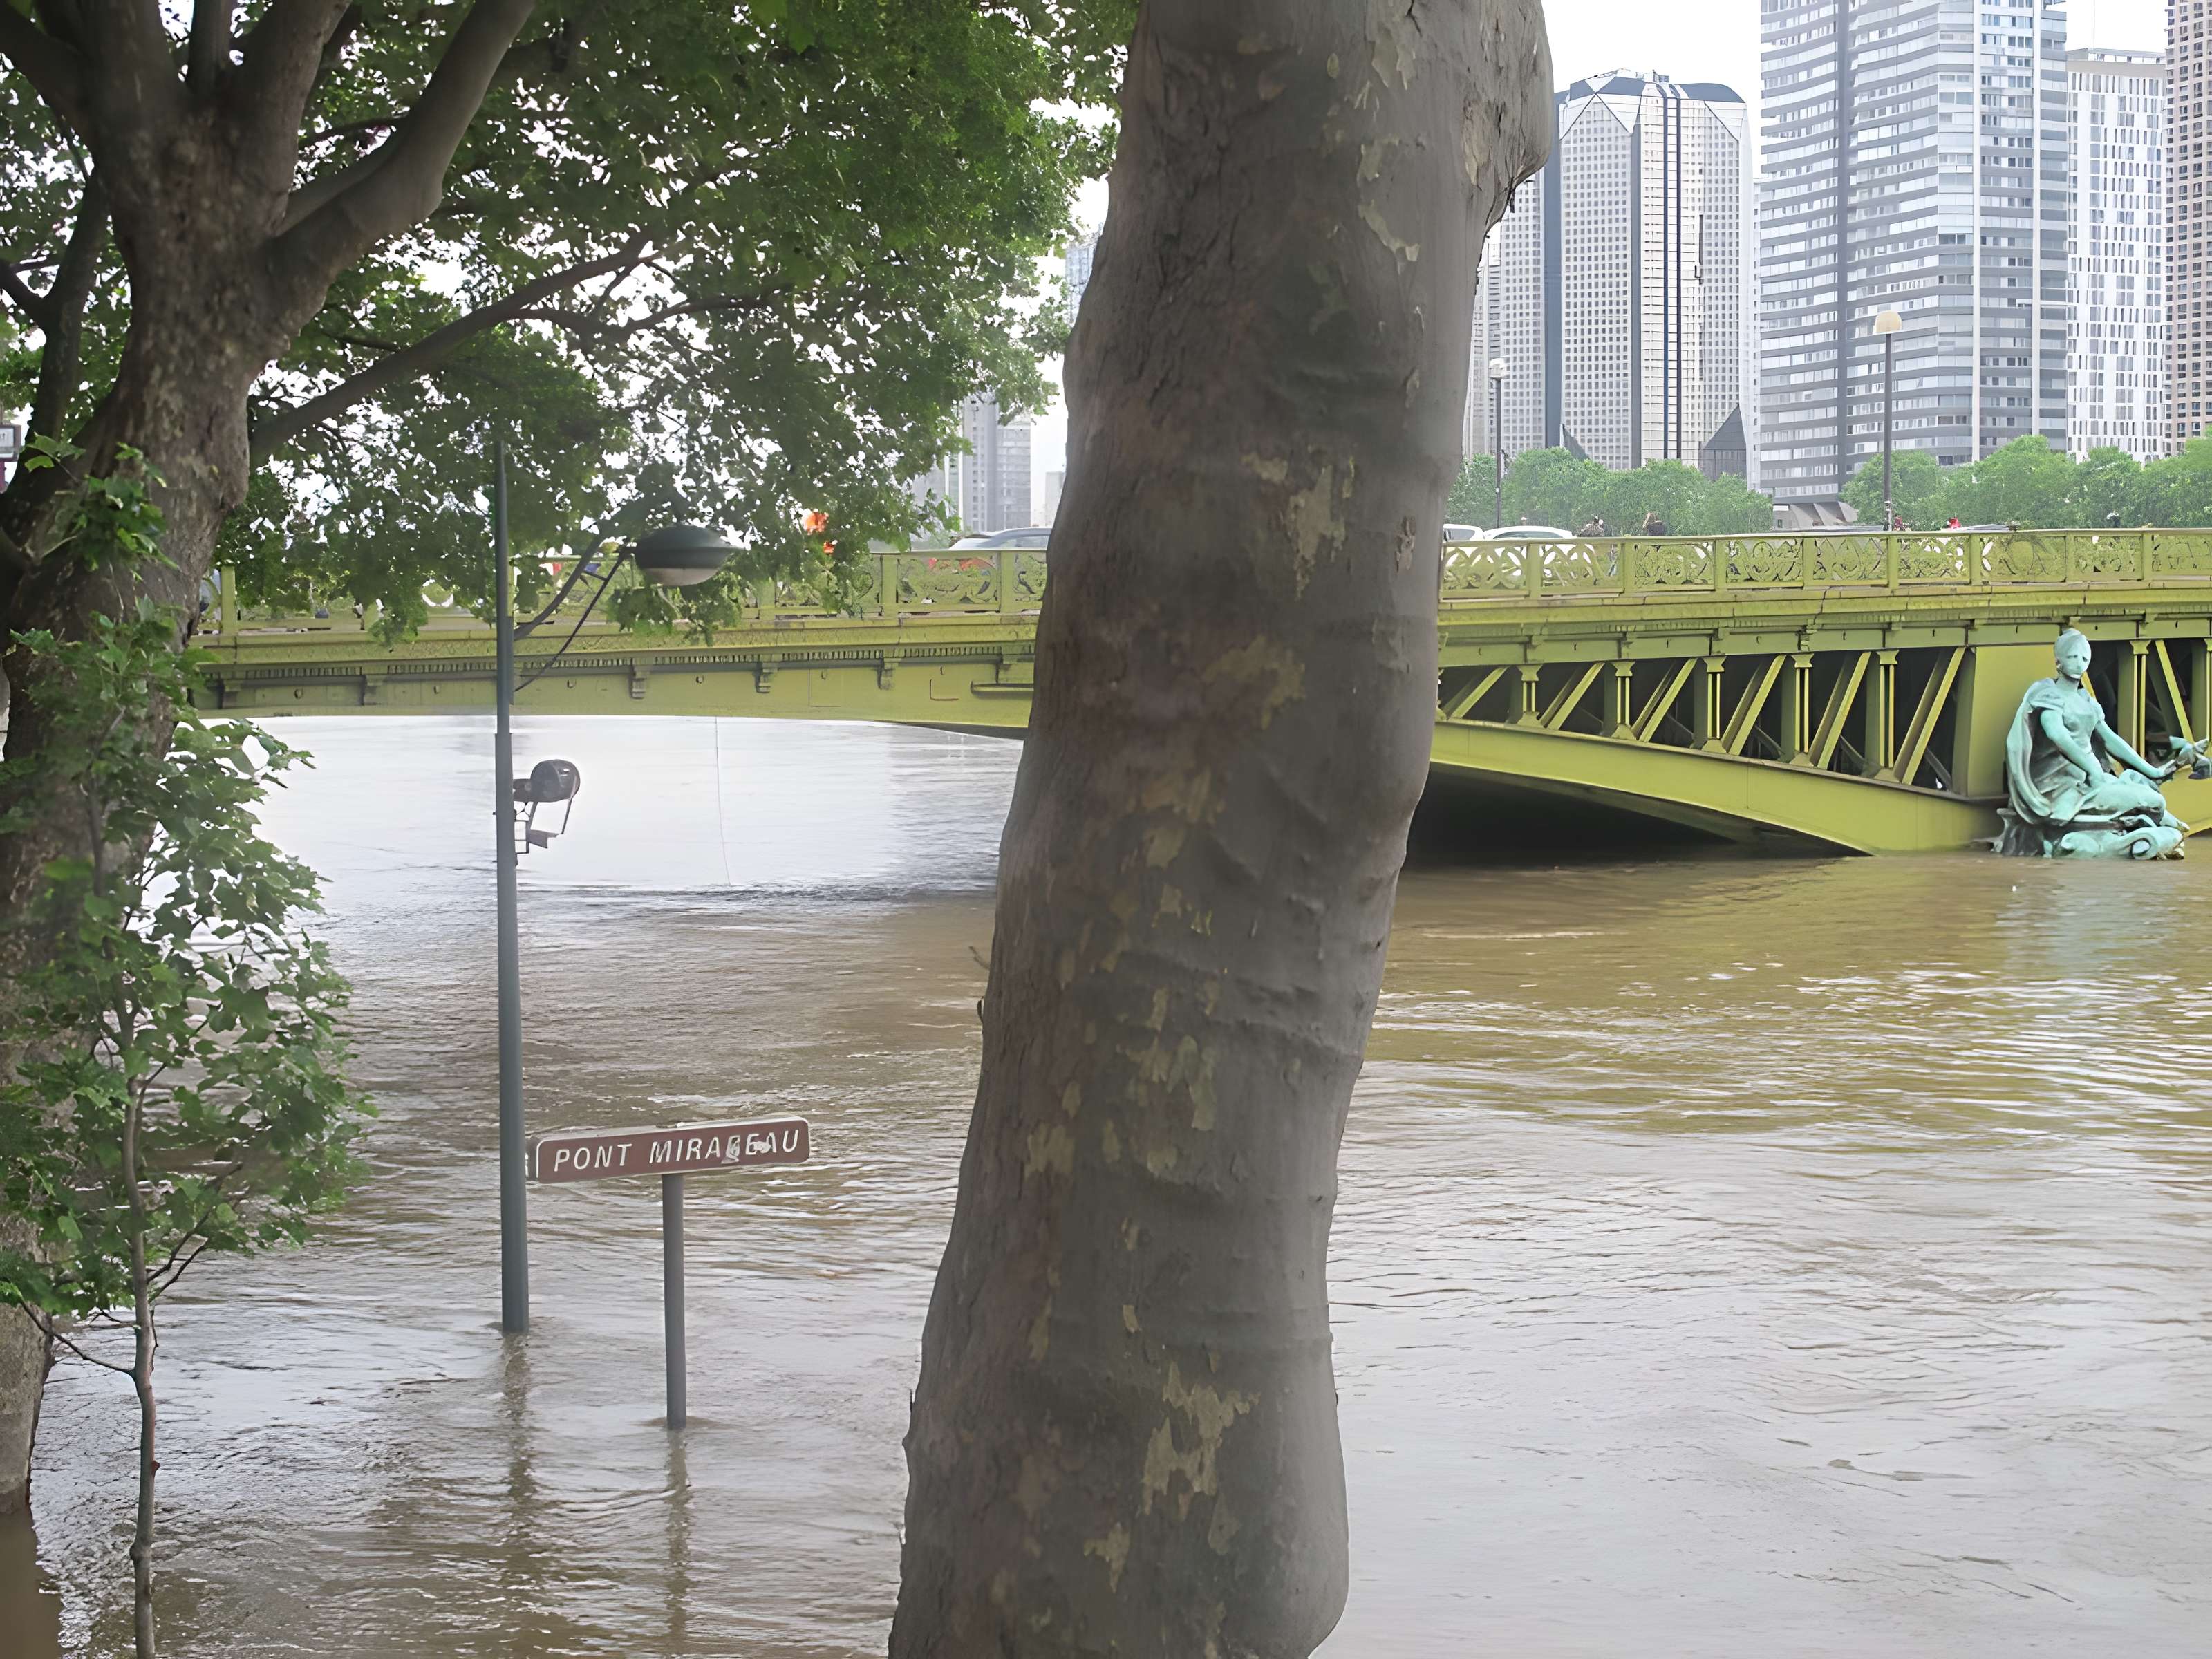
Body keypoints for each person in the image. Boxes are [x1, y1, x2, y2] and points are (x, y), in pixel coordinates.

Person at [1998, 628, 2188, 857]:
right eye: (2072, 657)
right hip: (2060, 789)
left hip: (2089, 782)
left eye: (2084, 658)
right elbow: (2057, 735)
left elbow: (2110, 740)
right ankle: (2143, 834)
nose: (2079, 663)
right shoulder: (2048, 694)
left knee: (2152, 797)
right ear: (2058, 661)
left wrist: (2153, 772)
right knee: (2154, 800)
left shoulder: (2086, 699)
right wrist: (2092, 768)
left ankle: (2142, 828)